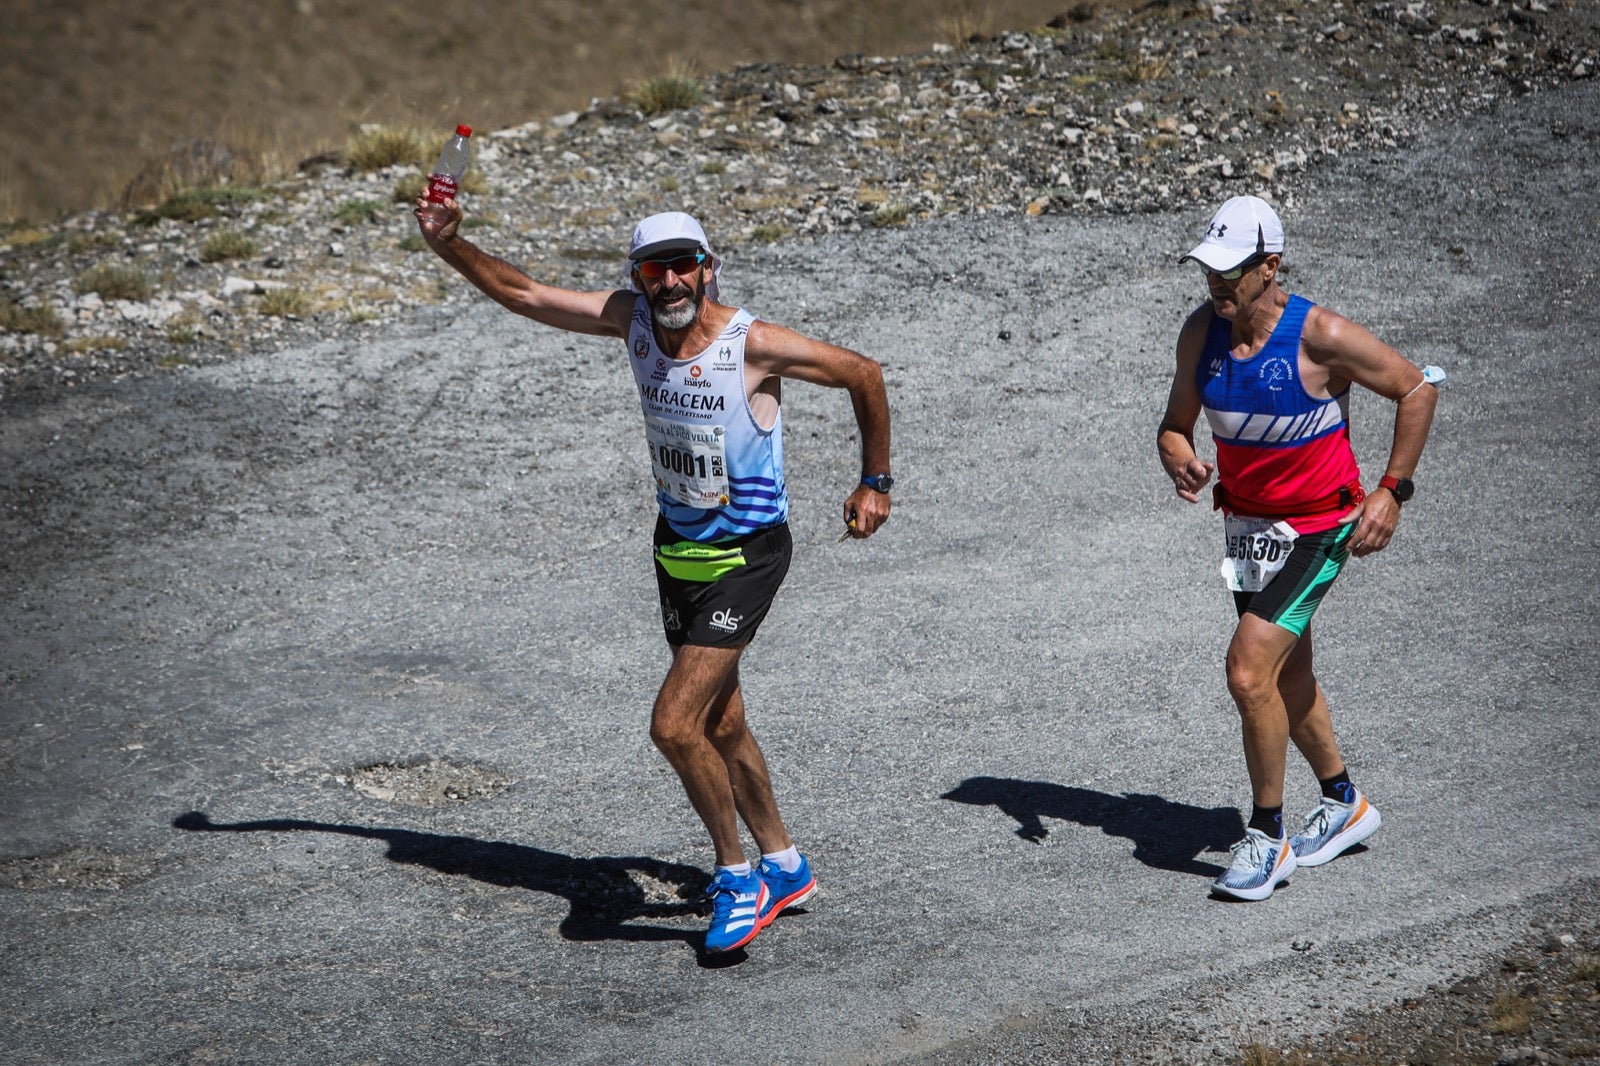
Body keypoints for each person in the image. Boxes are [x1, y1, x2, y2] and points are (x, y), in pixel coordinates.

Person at [413, 198, 892, 952]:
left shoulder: (752, 344)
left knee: (674, 726)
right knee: (722, 721)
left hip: (748, 555)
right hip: (678, 550)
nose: (669, 282)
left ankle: (736, 878)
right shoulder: (631, 320)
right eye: (652, 269)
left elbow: (863, 373)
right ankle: (786, 864)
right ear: (637, 278)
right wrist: (450, 245)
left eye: (682, 266)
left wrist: (876, 481)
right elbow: (524, 293)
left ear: (709, 270)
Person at [1157, 195, 1439, 902]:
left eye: (1230, 271)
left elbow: (1415, 388)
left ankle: (1267, 835)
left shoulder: (1320, 335)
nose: (1216, 285)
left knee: (1248, 670)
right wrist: (1179, 454)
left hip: (1320, 527)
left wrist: (1390, 492)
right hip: (1248, 534)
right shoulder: (1202, 334)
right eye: (1209, 271)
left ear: (1269, 267)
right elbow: (1172, 424)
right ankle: (1344, 802)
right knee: (1286, 675)